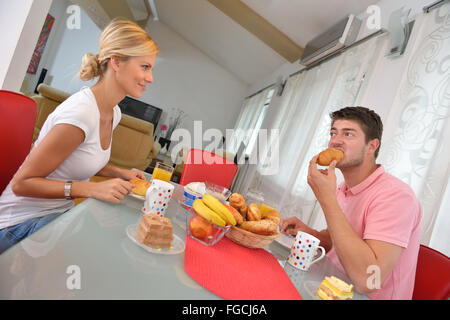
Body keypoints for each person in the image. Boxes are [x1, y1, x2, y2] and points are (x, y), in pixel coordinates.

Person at [0, 19, 159, 254]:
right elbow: (22, 184)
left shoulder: (112, 112)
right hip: (17, 225)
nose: (150, 78)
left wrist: (118, 173)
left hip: (55, 215)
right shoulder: (81, 113)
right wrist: (90, 189)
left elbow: (77, 158)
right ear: (116, 62)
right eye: (145, 67)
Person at [280, 106, 422, 300]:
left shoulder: (396, 196)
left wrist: (326, 198)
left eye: (348, 134)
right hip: (330, 285)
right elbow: (339, 241)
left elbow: (368, 280)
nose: (335, 141)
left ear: (372, 146)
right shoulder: (343, 188)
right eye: (333, 133)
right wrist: (311, 233)